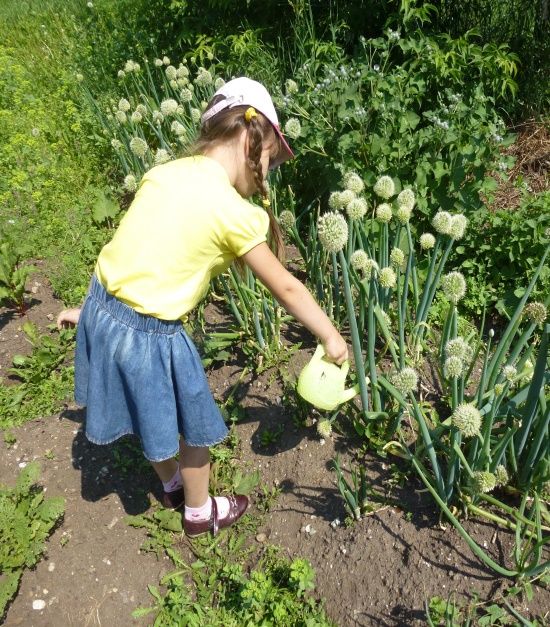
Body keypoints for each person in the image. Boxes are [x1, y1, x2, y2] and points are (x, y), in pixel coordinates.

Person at [57, 77, 348, 538]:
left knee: (147, 415)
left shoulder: (164, 173)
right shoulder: (232, 211)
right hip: (151, 336)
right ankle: (198, 511)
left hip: (103, 305)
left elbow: (134, 249)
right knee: (195, 430)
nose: (267, 172)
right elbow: (288, 289)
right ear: (249, 137)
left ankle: (171, 483)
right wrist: (330, 336)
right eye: (271, 157)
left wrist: (91, 312)